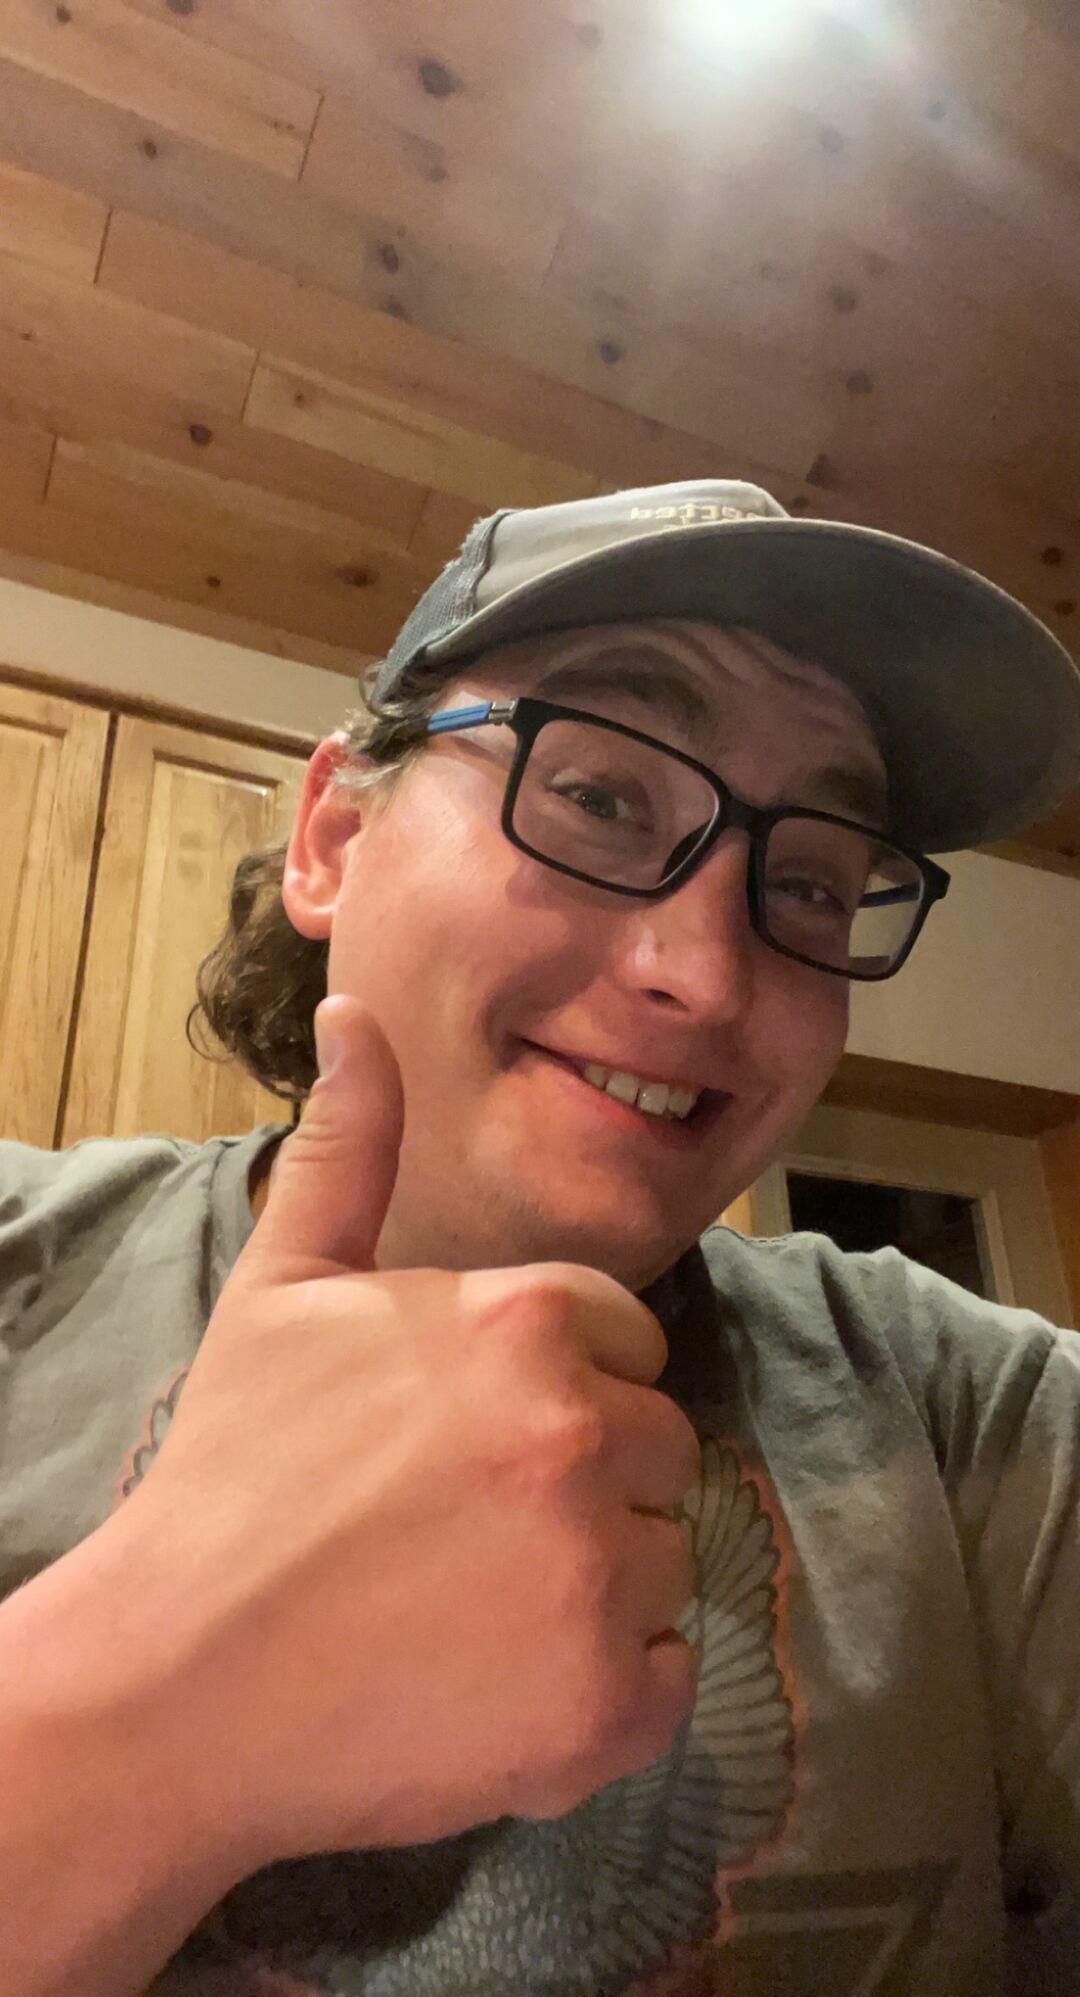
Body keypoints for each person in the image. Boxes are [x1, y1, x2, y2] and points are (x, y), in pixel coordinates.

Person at [1, 478, 1079, 1997]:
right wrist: (142, 1721)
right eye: (600, 797)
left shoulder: (978, 1425)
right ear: (332, 837)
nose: (707, 973)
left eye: (810, 881)